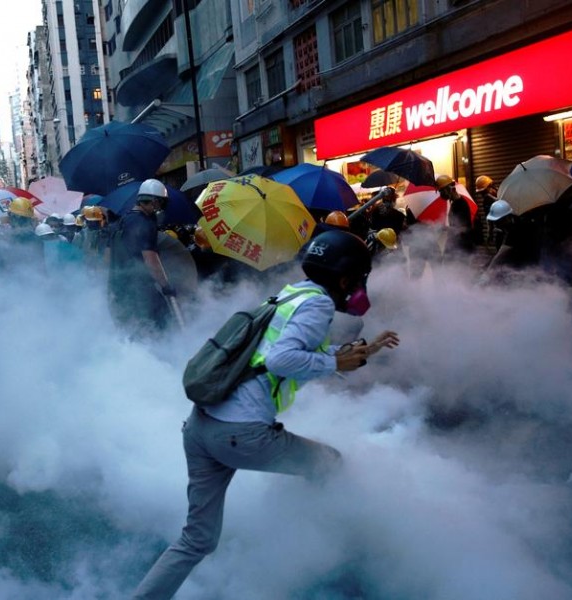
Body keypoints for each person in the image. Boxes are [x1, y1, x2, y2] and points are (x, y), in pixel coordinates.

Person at [133, 230, 399, 599]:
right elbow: (280, 359)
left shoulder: (292, 294)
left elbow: (279, 350)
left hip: (201, 429)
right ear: (345, 278)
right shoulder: (319, 304)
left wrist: (356, 351)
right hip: (241, 435)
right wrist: (335, 360)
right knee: (329, 464)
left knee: (197, 540)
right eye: (358, 278)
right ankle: (335, 549)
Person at [108, 179, 177, 336]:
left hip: (118, 288)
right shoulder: (144, 223)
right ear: (153, 202)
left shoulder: (120, 222)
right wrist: (166, 286)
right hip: (139, 290)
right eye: (160, 203)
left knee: (131, 332)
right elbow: (150, 259)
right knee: (160, 326)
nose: (159, 208)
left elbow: (107, 257)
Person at [437, 174, 474, 258]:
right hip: (456, 246)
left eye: (441, 191)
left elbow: (463, 229)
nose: (441, 194)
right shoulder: (454, 203)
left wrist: (445, 228)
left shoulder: (461, 204)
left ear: (448, 189)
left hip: (462, 248)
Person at [474, 175, 499, 247]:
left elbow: (489, 221)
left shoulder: (492, 197)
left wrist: (489, 235)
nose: (482, 195)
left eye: (483, 192)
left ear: (490, 186)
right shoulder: (489, 199)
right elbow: (489, 219)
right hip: (500, 231)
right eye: (481, 193)